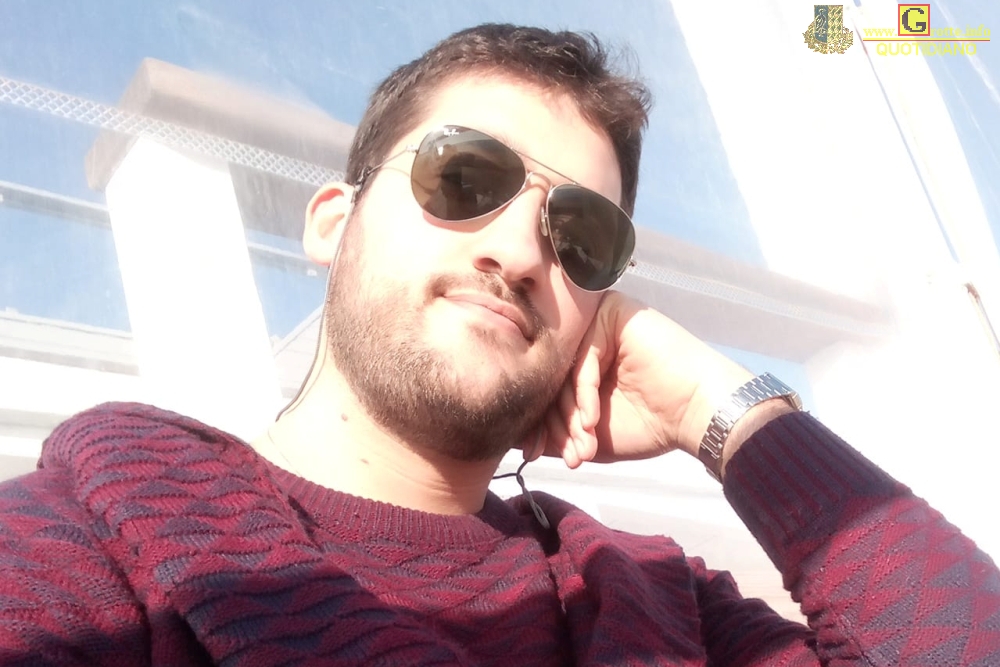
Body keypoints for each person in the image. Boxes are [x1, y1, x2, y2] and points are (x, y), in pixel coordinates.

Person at [1, 23, 997, 667]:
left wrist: (720, 408)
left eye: (581, 236)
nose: (521, 253)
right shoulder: (87, 552)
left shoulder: (657, 601)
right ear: (332, 221)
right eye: (465, 178)